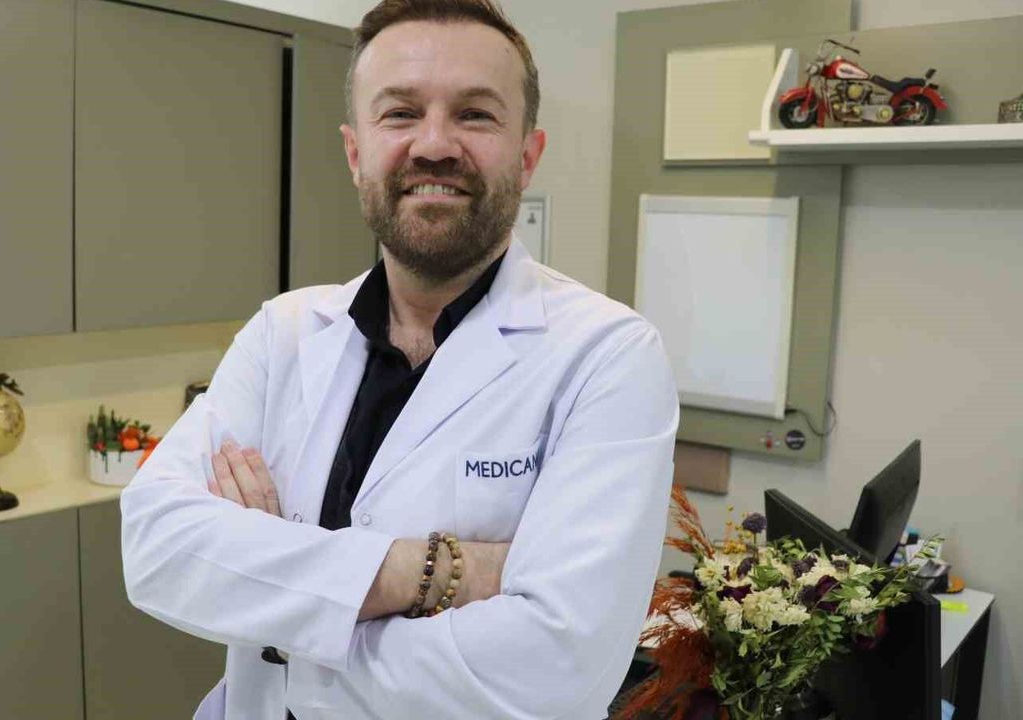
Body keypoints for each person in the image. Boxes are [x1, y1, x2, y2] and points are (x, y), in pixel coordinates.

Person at [120, 0, 679, 717]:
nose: (434, 144)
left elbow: (557, 669)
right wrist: (432, 571)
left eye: (475, 114)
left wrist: (277, 610)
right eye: (400, 113)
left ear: (527, 155)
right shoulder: (283, 332)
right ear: (356, 153)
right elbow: (157, 549)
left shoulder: (607, 355)